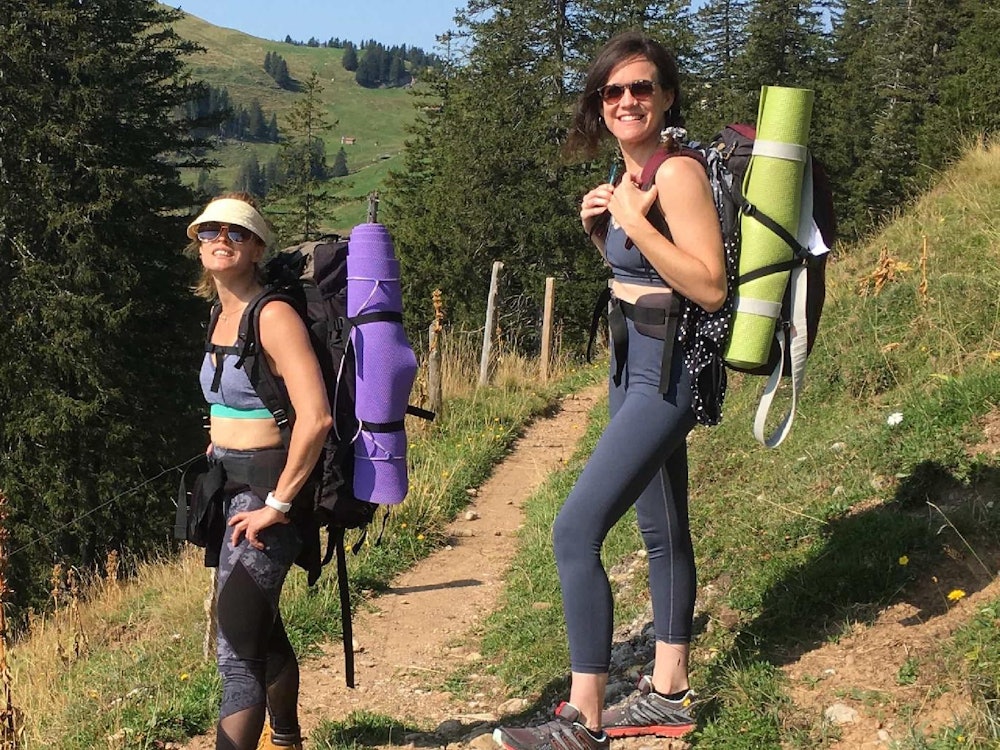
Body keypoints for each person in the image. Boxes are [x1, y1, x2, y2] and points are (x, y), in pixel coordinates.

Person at [493, 31, 726, 750]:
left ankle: (583, 718)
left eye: (642, 88)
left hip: (667, 369)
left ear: (667, 95)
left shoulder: (676, 173)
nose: (628, 101)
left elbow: (710, 287)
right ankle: (668, 692)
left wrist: (632, 222)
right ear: (599, 104)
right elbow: (649, 274)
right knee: (660, 530)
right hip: (633, 362)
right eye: (613, 91)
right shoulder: (632, 177)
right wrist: (606, 233)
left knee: (573, 530)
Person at [188, 192, 333, 750]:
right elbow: (234, 401)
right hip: (228, 489)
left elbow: (315, 418)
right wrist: (216, 444)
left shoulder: (272, 315)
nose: (221, 240)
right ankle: (288, 740)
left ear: (256, 246)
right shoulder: (221, 315)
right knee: (259, 628)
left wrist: (278, 505)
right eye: (209, 231)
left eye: (235, 232)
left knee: (237, 651)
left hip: (268, 494)